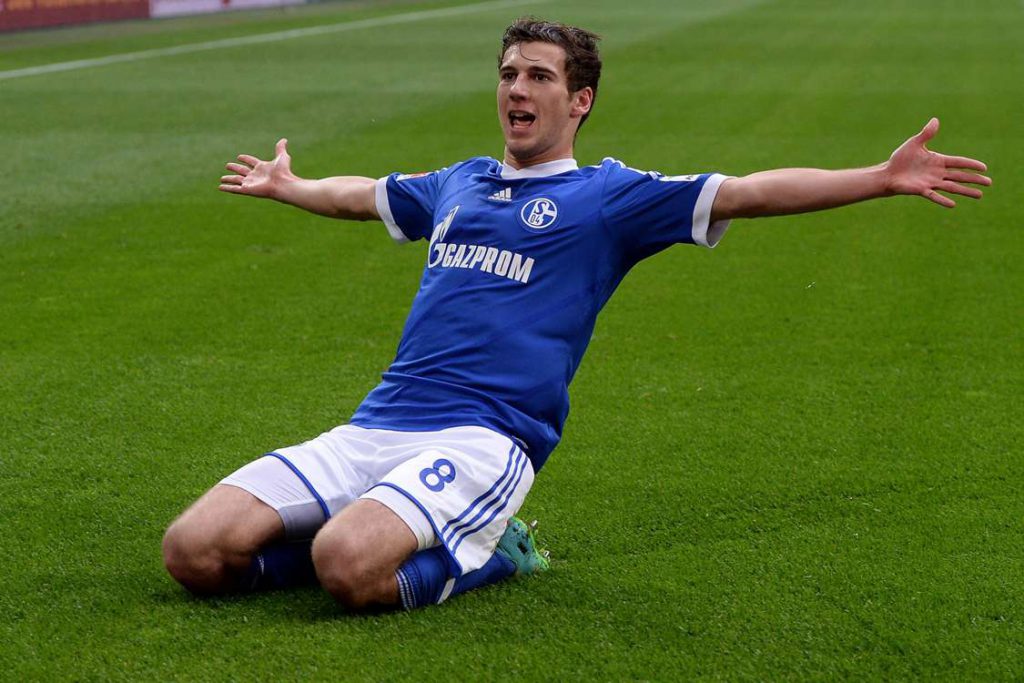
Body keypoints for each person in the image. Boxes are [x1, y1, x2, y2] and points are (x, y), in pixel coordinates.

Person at [162, 17, 990, 611]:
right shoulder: (460, 181)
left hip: (485, 438)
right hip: (377, 423)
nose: (517, 89)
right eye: (509, 74)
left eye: (539, 77)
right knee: (192, 552)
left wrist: (878, 177)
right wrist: (292, 186)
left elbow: (750, 191)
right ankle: (351, 541)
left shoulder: (610, 198)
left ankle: (492, 553)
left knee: (349, 567)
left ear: (580, 100)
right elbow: (362, 196)